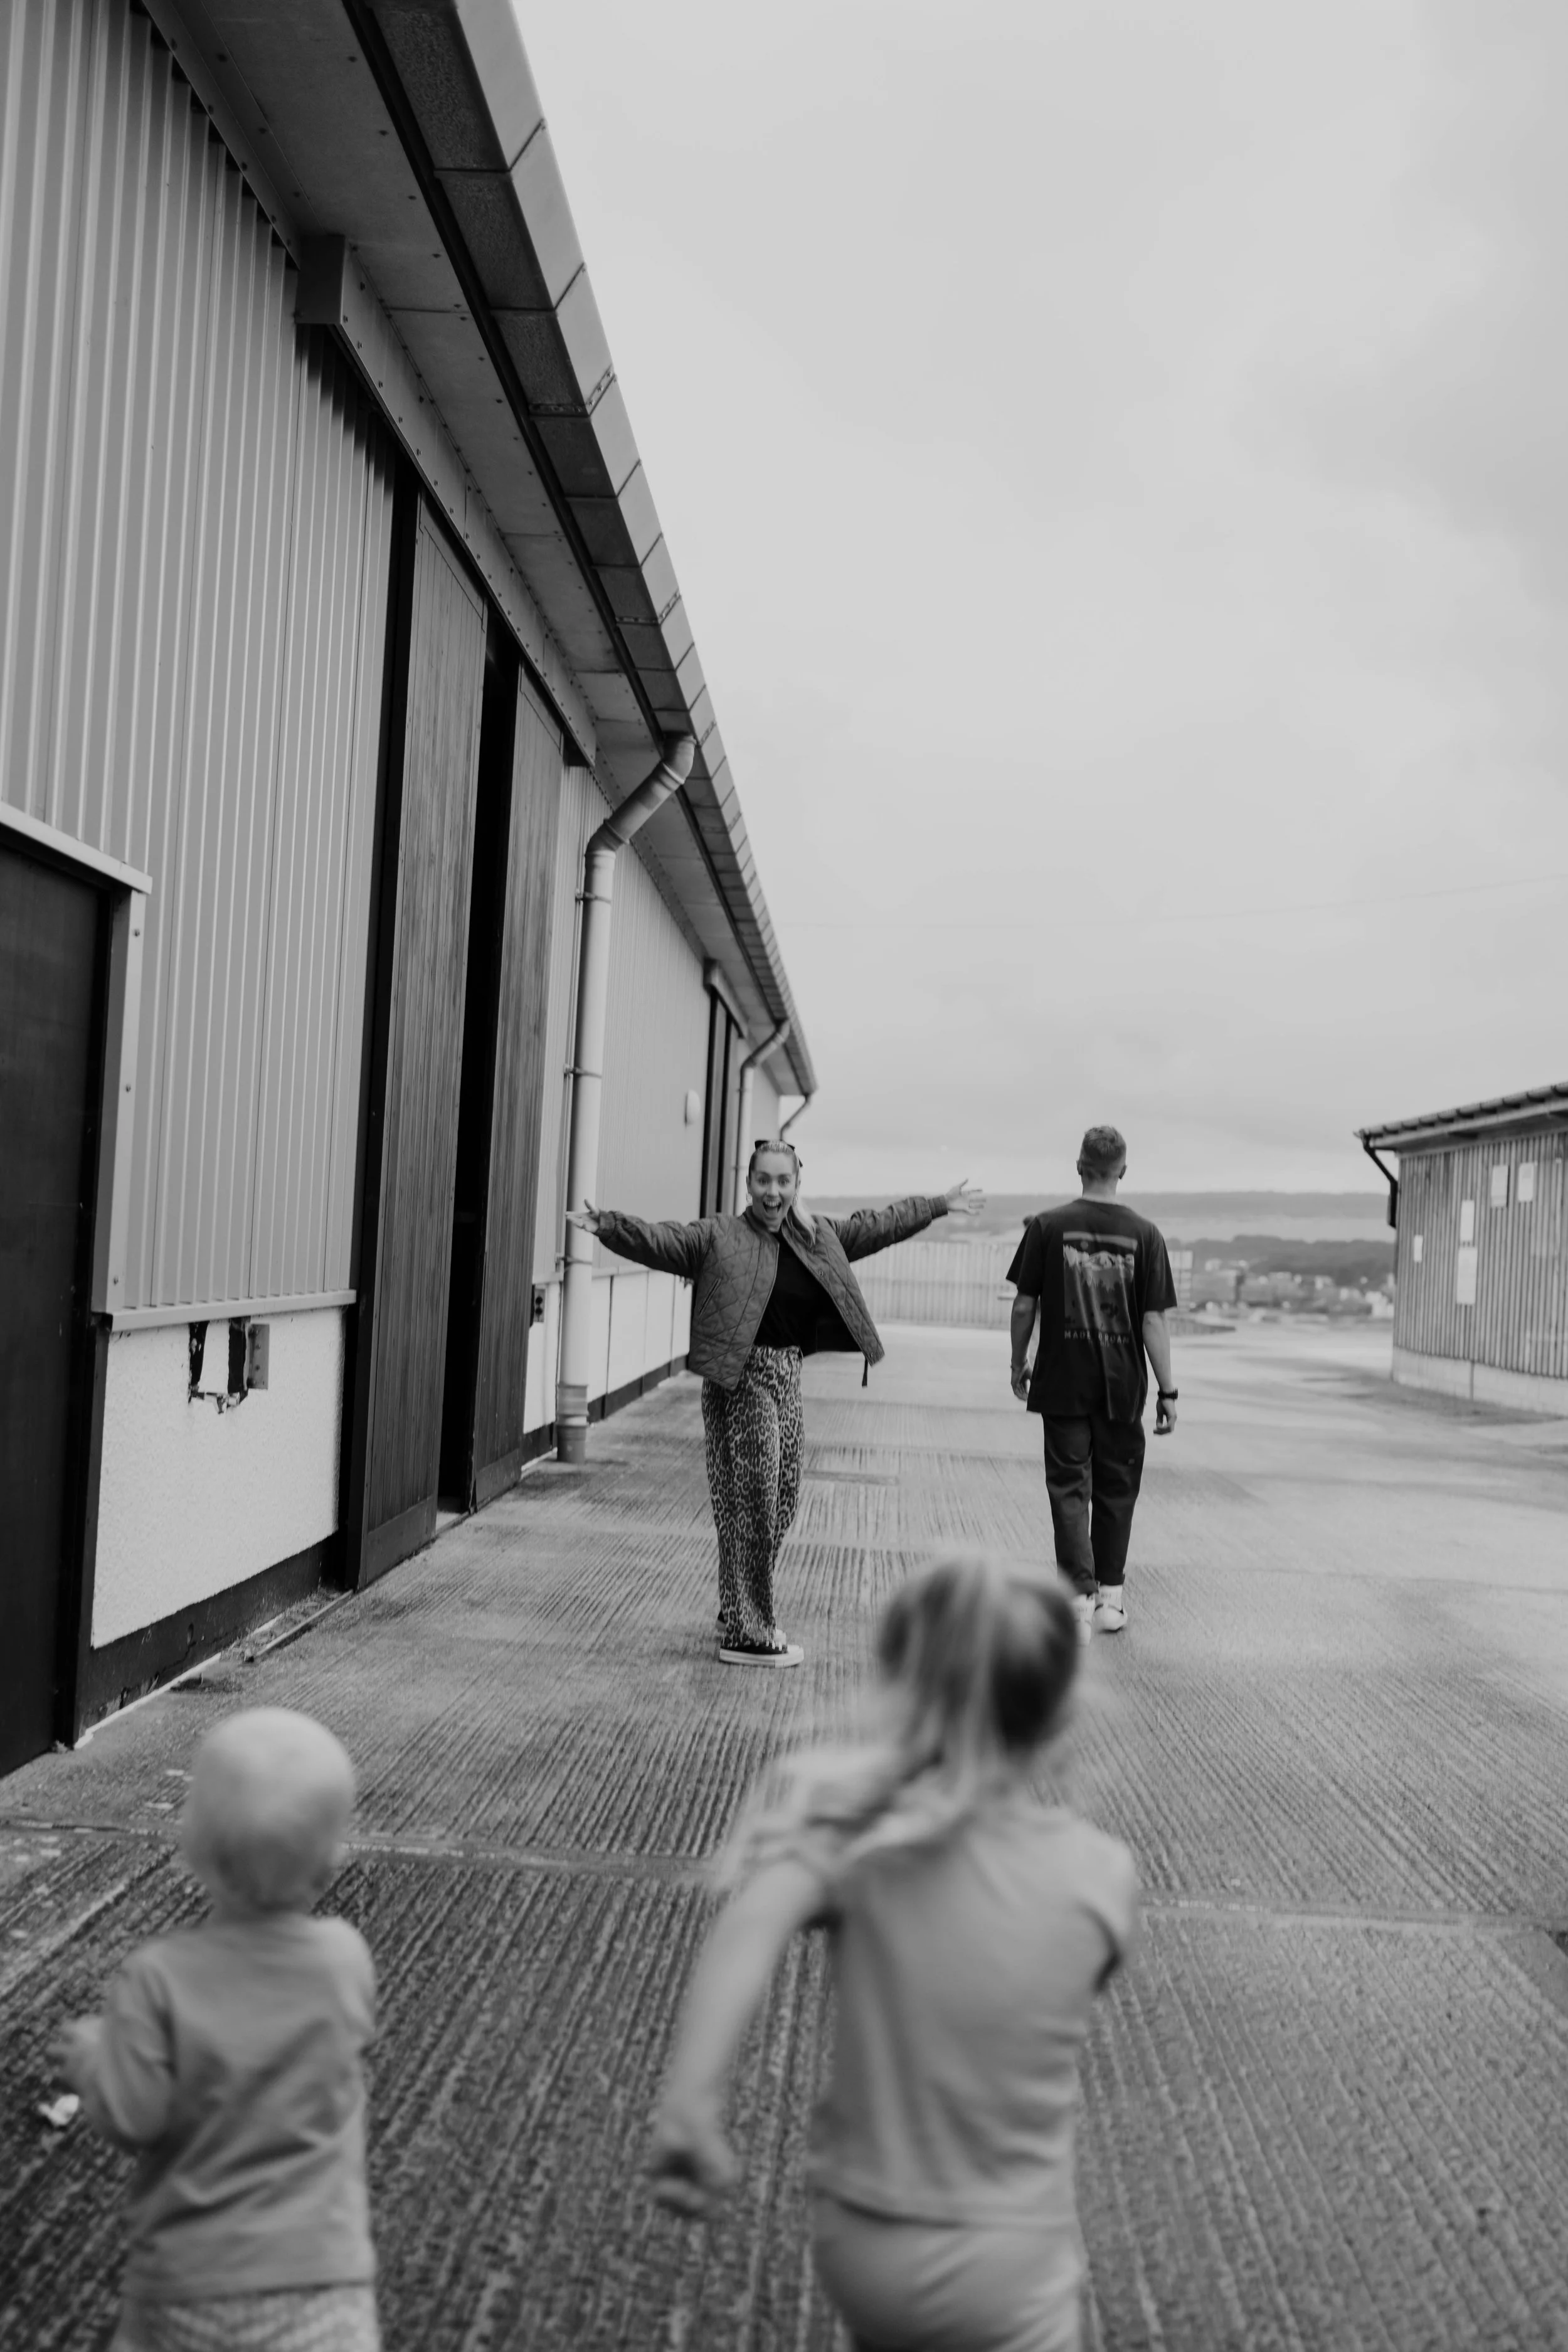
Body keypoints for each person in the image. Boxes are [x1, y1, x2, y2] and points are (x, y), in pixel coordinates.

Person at [649, 1554, 1138, 2352]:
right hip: (1011, 2248)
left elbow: (749, 1926)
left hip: (863, 2238)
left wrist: (691, 2105)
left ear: (904, 1693)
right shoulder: (1101, 1875)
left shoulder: (861, 1845)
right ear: (1057, 1719)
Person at [570, 1146, 982, 1666]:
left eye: (783, 1181)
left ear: (796, 1185)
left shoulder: (817, 1236)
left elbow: (879, 1225)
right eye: (763, 1181)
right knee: (755, 1502)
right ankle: (750, 1633)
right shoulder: (719, 1235)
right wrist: (609, 1226)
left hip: (787, 1375)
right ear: (748, 1184)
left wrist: (939, 1204)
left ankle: (736, 1604)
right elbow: (663, 1240)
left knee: (782, 1499)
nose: (773, 1192)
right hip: (740, 1379)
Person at [51, 1709, 379, 2352]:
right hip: (321, 2280)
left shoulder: (157, 1978)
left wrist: (95, 2062)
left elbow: (134, 2118)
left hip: (187, 2283)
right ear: (329, 1863)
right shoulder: (345, 1962)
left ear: (193, 1848)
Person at [1007, 1125, 1178, 1645]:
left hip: (1062, 1379)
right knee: (1117, 1489)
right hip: (1123, 1384)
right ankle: (1110, 1601)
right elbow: (1154, 1320)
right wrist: (1168, 1391)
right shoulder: (1146, 1235)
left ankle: (1077, 1603)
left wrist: (1018, 1361)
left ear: (1079, 1166)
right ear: (1123, 1170)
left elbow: (1024, 1305)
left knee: (1068, 1489)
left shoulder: (1047, 1226)